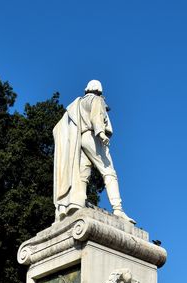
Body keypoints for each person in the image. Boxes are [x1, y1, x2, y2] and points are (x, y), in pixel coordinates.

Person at [53, 79, 134, 223]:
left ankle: (76, 203)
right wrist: (101, 133)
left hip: (80, 139)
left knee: (83, 173)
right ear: (99, 89)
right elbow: (96, 117)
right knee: (109, 172)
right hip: (93, 137)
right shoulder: (96, 99)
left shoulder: (77, 104)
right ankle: (118, 208)